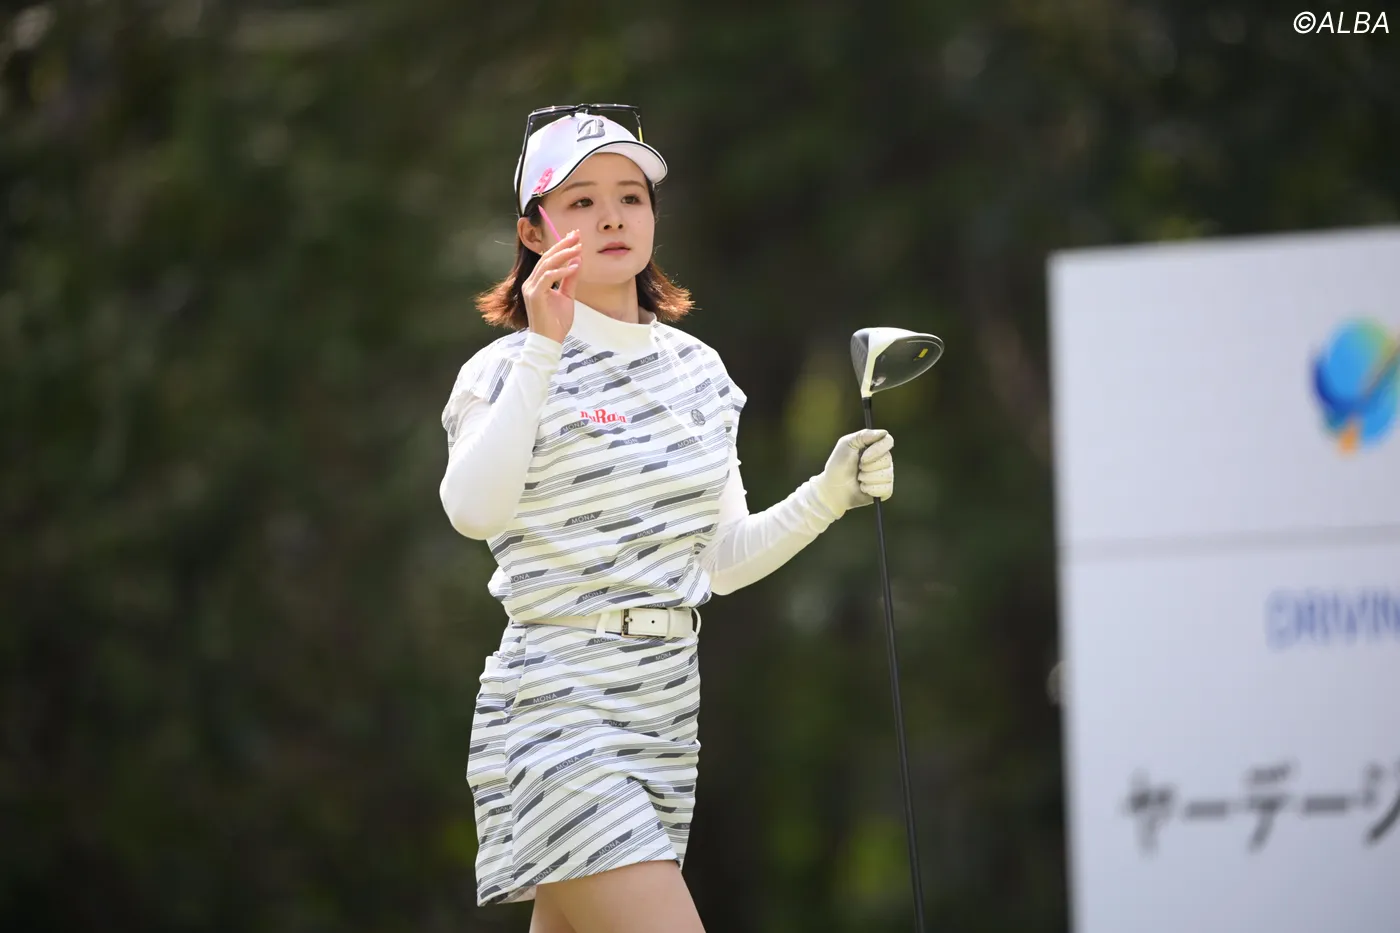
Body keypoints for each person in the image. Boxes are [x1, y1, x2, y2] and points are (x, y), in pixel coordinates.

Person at [439, 104, 895, 933]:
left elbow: (718, 559)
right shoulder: (503, 368)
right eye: (580, 201)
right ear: (534, 231)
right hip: (557, 704)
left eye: (631, 196)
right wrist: (544, 346)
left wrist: (829, 495)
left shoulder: (698, 371)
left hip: (663, 710)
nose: (612, 216)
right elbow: (473, 511)